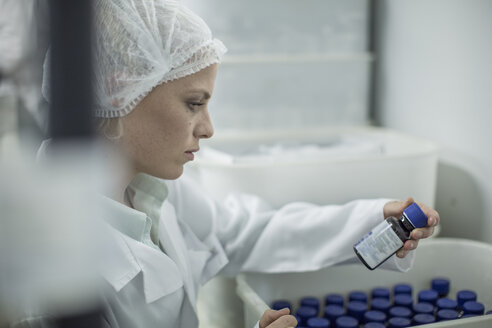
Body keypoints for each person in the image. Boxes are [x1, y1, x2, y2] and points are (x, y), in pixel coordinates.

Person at [31, 0, 440, 327]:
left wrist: (371, 220)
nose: (207, 129)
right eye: (194, 104)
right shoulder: (44, 267)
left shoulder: (148, 191)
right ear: (117, 91)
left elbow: (240, 232)